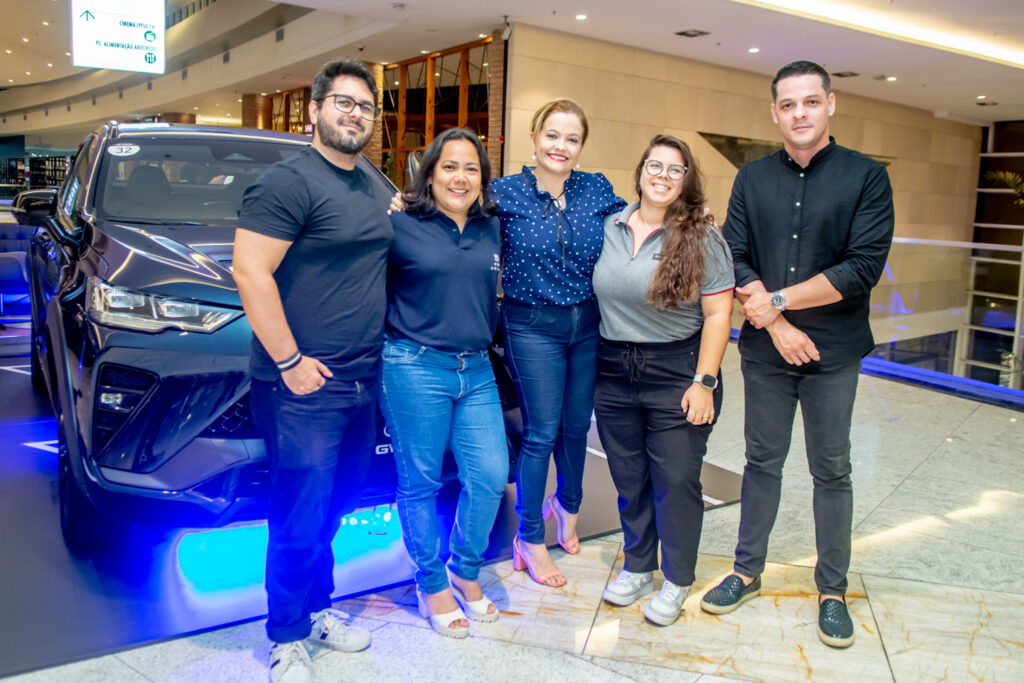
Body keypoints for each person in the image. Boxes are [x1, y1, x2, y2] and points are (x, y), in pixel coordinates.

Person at [700, 60, 894, 649]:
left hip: (833, 352)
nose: (800, 113)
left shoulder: (866, 177)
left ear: (830, 104)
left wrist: (778, 302)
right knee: (762, 462)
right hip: (766, 351)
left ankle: (832, 591)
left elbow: (862, 268)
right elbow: (733, 255)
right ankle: (746, 571)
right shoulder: (753, 178)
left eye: (810, 101)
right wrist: (779, 325)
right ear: (775, 113)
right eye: (788, 105)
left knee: (831, 469)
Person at [233, 59, 393, 683]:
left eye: (366, 107)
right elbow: (250, 271)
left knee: (336, 507)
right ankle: (285, 636)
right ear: (316, 110)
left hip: (360, 381)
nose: (356, 114)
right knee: (299, 515)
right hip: (303, 388)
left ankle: (317, 610)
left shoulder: (372, 186)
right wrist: (290, 362)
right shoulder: (287, 182)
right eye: (343, 102)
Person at [593, 135, 733, 626]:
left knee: (675, 481)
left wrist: (705, 382)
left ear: (686, 180)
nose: (663, 176)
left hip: (678, 372)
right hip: (613, 371)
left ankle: (676, 579)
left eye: (676, 170)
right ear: (640, 170)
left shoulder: (704, 237)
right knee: (629, 478)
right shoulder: (609, 225)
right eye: (655, 165)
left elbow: (719, 314)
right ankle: (637, 567)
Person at [489, 99, 626, 587]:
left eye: (572, 138)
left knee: (576, 427)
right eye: (552, 135)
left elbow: (640, 220)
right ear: (533, 137)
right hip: (530, 325)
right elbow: (451, 210)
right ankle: (528, 535)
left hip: (587, 324)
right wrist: (406, 205)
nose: (560, 146)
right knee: (542, 431)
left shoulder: (596, 189)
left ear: (581, 146)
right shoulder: (503, 193)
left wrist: (689, 218)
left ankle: (568, 505)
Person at [378, 128, 507, 639]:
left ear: (482, 178)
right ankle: (430, 583)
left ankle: (464, 569)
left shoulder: (492, 226)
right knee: (421, 483)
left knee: (491, 475)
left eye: (471, 168)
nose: (460, 177)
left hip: (475, 369)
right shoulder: (399, 225)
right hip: (413, 366)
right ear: (429, 173)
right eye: (449, 166)